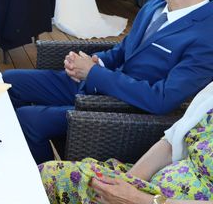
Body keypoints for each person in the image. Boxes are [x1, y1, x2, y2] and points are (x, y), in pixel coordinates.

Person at [3, 0, 213, 164]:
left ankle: (39, 186)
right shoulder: (157, 3)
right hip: (100, 84)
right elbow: (126, 49)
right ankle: (7, 156)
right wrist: (98, 61)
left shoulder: (206, 36)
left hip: (123, 110)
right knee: (9, 82)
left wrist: (95, 73)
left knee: (29, 120)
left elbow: (162, 100)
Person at [40, 79, 213, 203]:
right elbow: (171, 143)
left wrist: (140, 199)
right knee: (48, 175)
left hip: (158, 200)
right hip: (149, 186)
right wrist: (127, 182)